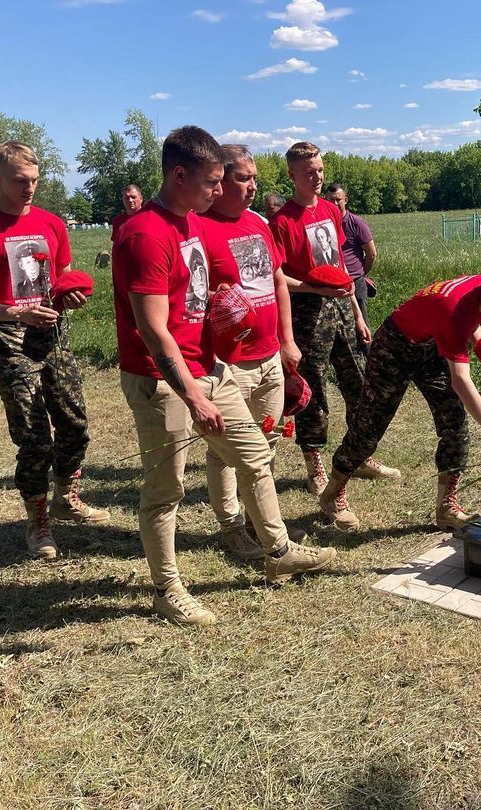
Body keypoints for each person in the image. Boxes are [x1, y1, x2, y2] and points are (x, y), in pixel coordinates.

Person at [112, 126, 336, 626]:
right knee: (164, 491)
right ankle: (167, 590)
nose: (220, 191)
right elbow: (151, 328)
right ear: (179, 174)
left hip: (207, 367)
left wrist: (222, 313)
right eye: (213, 182)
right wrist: (192, 393)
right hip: (162, 380)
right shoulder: (146, 233)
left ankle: (277, 553)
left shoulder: (189, 224)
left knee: (256, 457)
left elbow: (191, 299)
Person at [0, 140, 109, 560]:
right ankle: (37, 521)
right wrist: (15, 313)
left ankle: (66, 496)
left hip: (53, 333)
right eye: (20, 181)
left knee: (75, 424)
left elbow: (60, 277)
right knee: (34, 436)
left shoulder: (51, 223)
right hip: (11, 338)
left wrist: (70, 296)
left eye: (35, 180)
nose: (29, 188)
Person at [319, 250, 481, 531]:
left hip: (429, 347)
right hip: (394, 347)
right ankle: (332, 494)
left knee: (455, 424)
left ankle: (446, 507)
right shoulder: (453, 308)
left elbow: (470, 318)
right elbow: (460, 379)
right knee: (368, 430)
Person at [269, 141, 399, 496]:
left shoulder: (329, 210)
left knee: (358, 383)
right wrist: (316, 291)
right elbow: (279, 278)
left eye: (320, 170)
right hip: (309, 316)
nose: (317, 177)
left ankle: (360, 455)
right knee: (313, 392)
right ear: (292, 175)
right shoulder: (281, 221)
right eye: (309, 172)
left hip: (343, 308)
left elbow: (341, 266)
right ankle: (314, 464)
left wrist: (357, 312)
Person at [199, 143, 306, 557]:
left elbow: (277, 280)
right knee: (225, 450)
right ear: (219, 180)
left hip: (269, 357)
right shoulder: (197, 228)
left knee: (267, 441)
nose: (252, 186)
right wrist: (218, 300)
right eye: (243, 178)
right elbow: (189, 295)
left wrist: (287, 340)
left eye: (254, 178)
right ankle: (231, 527)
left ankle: (257, 516)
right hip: (227, 364)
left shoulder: (259, 223)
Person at [325, 183, 377, 335]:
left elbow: (371, 253)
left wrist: (360, 273)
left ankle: (367, 354)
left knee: (361, 324)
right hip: (330, 284)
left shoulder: (356, 223)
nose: (334, 203)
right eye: (330, 200)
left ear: (345, 200)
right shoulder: (324, 223)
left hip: (354, 281)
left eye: (338, 200)